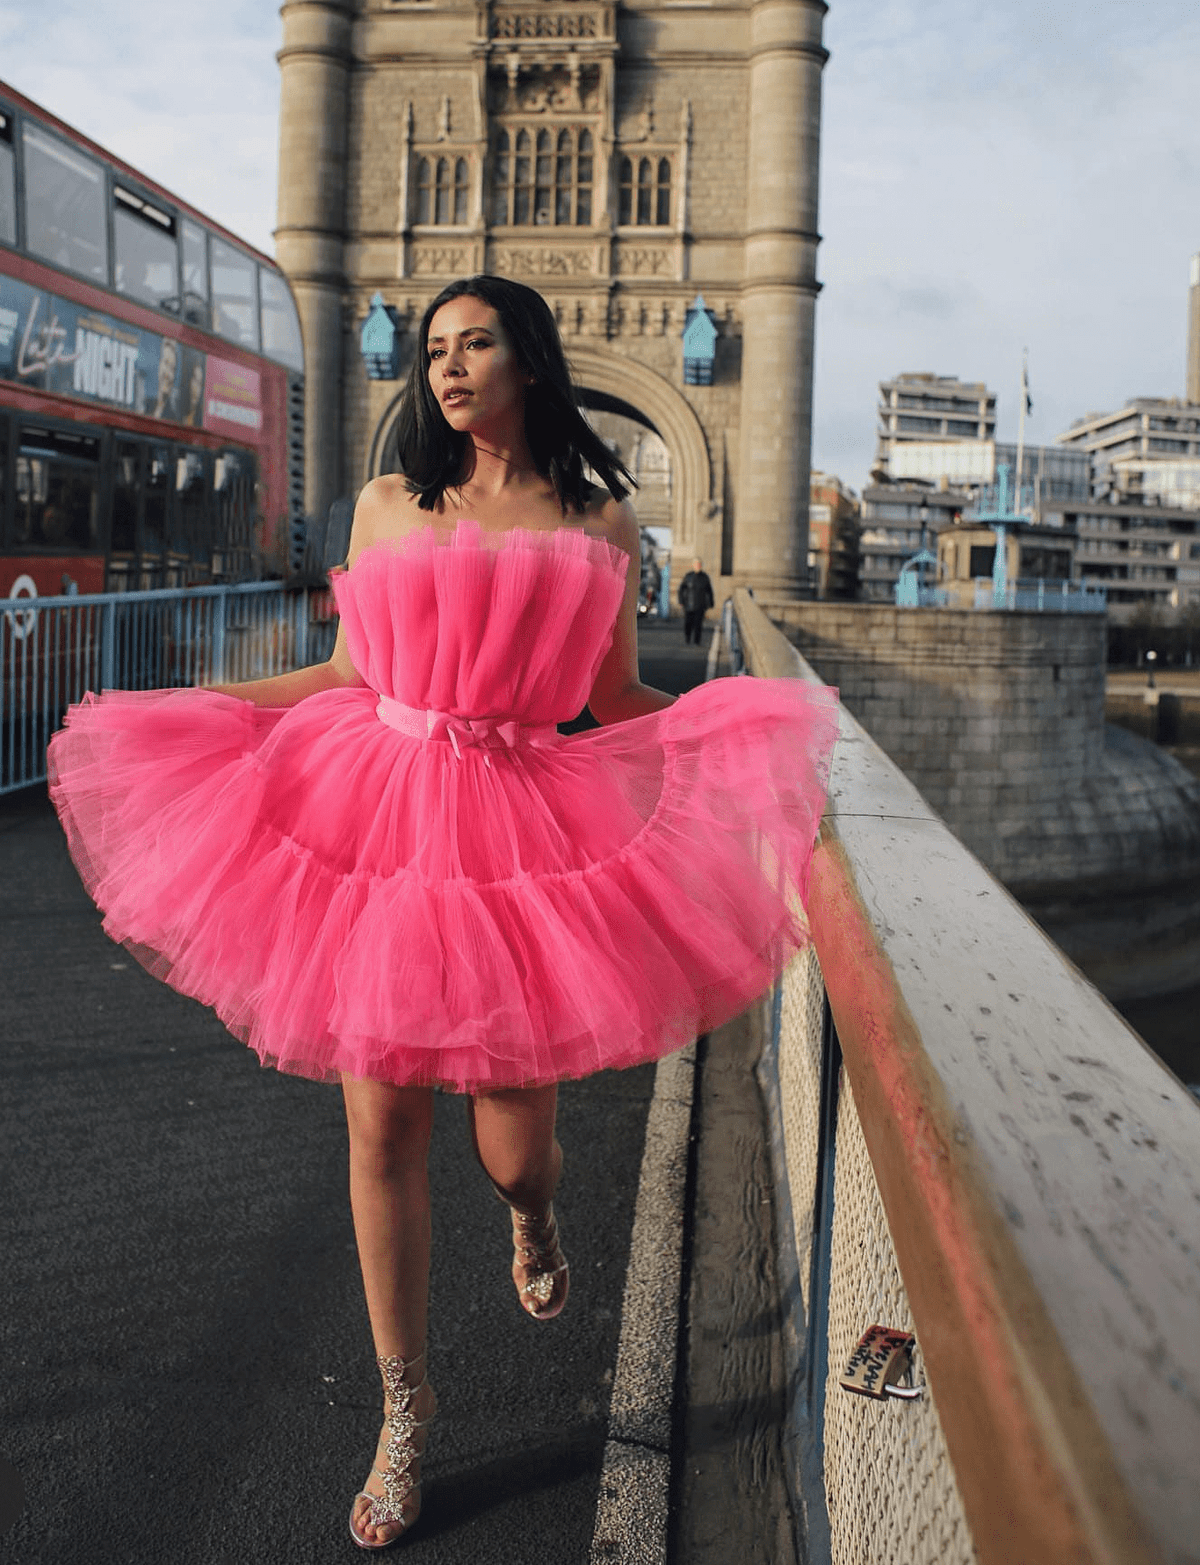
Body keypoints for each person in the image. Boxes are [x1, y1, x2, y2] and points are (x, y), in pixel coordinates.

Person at [46, 275, 838, 1550]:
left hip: (519, 816)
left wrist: (743, 734)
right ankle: (406, 1411)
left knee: (516, 1145)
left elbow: (612, 695)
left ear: (529, 357)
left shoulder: (599, 517)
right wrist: (221, 705)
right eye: (434, 350)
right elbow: (353, 671)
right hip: (376, 802)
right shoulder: (386, 502)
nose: (450, 367)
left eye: (476, 343)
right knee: (381, 1128)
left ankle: (532, 1211)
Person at [678, 556, 714, 644]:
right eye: (696, 564)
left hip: (700, 604)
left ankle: (697, 641)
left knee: (698, 624)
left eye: (699, 564)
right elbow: (681, 589)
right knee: (688, 624)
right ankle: (688, 638)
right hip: (688, 605)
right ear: (693, 565)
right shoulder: (688, 576)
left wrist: (711, 602)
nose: (697, 566)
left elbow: (709, 591)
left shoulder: (705, 577)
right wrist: (681, 601)